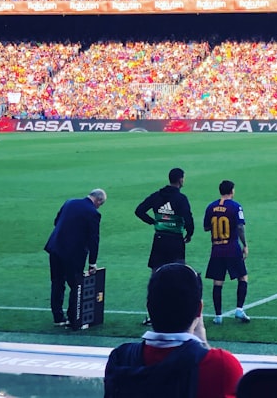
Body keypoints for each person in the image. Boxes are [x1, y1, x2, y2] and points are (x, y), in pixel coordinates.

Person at [104, 263, 243, 398]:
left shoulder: (120, 358)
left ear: (149, 308)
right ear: (199, 309)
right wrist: (203, 346)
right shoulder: (221, 366)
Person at [136, 168, 195, 325]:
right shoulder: (181, 199)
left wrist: (154, 222)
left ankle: (150, 314)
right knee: (179, 276)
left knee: (155, 277)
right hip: (176, 240)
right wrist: (190, 233)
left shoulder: (157, 195)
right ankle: (178, 312)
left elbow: (139, 210)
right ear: (180, 180)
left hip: (159, 240)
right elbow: (188, 218)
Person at [45, 189, 106, 331]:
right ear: (98, 201)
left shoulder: (70, 202)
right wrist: (92, 262)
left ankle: (58, 318)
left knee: (57, 282)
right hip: (73, 254)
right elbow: (94, 239)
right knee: (75, 285)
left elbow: (56, 221)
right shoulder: (93, 213)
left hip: (55, 248)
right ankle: (73, 318)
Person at [203, 180, 250, 325]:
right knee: (242, 277)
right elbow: (240, 227)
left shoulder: (211, 207)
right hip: (231, 248)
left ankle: (218, 316)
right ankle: (239, 309)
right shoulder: (236, 206)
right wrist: (245, 245)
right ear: (232, 191)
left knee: (218, 282)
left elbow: (206, 228)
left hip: (216, 248)